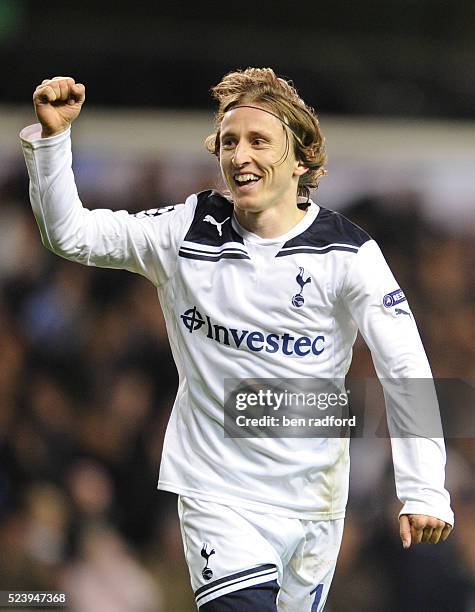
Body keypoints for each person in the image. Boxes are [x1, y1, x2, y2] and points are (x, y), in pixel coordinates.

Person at [21, 69, 453, 612]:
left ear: (300, 159)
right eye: (229, 142)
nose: (239, 154)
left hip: (314, 507)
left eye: (258, 141)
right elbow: (71, 235)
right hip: (217, 496)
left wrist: (424, 488)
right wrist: (55, 139)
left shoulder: (349, 255)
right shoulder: (185, 231)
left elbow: (404, 366)